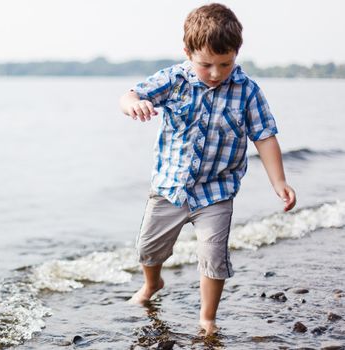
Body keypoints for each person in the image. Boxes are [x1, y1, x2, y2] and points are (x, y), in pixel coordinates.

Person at [119, 3, 296, 336]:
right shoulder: (173, 79)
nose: (216, 73)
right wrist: (134, 105)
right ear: (188, 53)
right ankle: (152, 284)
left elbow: (265, 136)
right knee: (148, 248)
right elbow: (130, 94)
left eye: (225, 63)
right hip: (169, 188)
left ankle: (207, 317)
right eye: (206, 64)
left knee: (213, 255)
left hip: (216, 192)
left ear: (236, 54)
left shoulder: (247, 91)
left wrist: (279, 181)